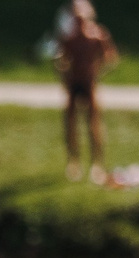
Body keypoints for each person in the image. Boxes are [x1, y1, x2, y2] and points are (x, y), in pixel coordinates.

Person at [55, 0, 120, 183]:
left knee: (94, 123)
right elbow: (60, 59)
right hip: (74, 83)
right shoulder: (69, 38)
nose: (79, 23)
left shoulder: (97, 36)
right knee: (71, 123)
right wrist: (64, 74)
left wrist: (97, 72)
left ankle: (97, 164)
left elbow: (110, 57)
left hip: (89, 83)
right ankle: (73, 162)